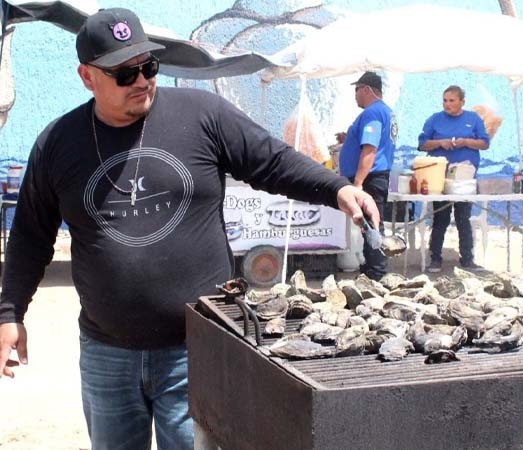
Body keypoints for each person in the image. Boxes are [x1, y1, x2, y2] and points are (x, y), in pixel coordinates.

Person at [0, 8, 380, 450]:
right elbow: (30, 236)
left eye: (148, 66)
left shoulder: (202, 115)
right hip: (108, 355)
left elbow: (272, 161)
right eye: (124, 74)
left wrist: (336, 188)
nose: (142, 81)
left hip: (197, 348)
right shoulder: (58, 142)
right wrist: (10, 313)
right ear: (87, 77)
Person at [418, 85, 490, 272]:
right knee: (440, 217)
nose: (447, 104)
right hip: (439, 177)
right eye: (445, 100)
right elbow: (422, 144)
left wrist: (466, 142)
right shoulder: (435, 119)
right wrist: (440, 143)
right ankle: (435, 258)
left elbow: (484, 143)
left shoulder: (473, 119)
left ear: (462, 102)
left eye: (451, 100)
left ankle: (467, 259)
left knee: (463, 218)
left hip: (464, 179)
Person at [338, 71, 398, 281]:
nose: (355, 95)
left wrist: (358, 183)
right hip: (376, 175)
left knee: (372, 223)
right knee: (369, 223)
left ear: (366, 89)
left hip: (371, 177)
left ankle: (377, 273)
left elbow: (370, 149)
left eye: (356, 90)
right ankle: (371, 268)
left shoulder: (372, 113)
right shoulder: (386, 112)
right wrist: (349, 138)